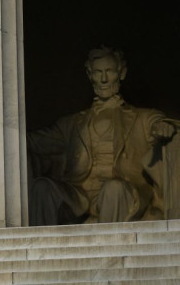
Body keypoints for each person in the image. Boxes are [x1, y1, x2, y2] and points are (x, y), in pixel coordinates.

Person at [28, 47, 178, 225]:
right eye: (98, 72)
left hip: (125, 191)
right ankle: (42, 251)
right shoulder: (70, 124)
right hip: (80, 195)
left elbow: (162, 123)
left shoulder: (142, 118)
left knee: (114, 188)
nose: (104, 79)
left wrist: (163, 127)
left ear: (121, 73)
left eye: (109, 71)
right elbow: (35, 142)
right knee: (42, 188)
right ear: (90, 74)